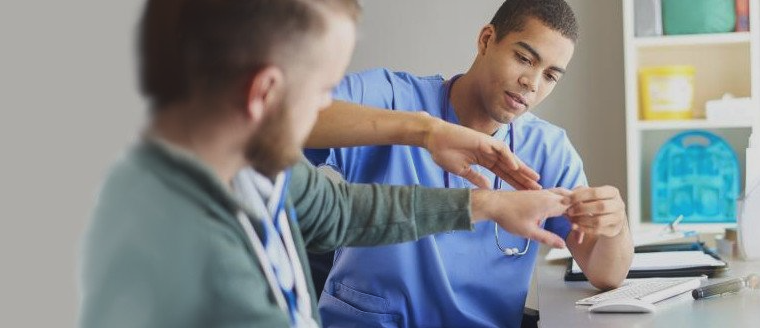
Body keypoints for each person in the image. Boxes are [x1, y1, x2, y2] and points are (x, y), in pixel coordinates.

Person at [80, 0, 575, 327]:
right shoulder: (206, 261)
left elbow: (340, 210)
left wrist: (483, 204)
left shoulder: (271, 172)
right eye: (323, 89)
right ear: (264, 93)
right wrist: (425, 129)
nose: (331, 108)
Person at [304, 0, 634, 326]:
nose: (531, 83)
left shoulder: (549, 150)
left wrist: (615, 226)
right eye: (523, 58)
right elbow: (289, 117)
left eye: (550, 76)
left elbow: (606, 273)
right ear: (487, 40)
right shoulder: (392, 97)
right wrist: (424, 130)